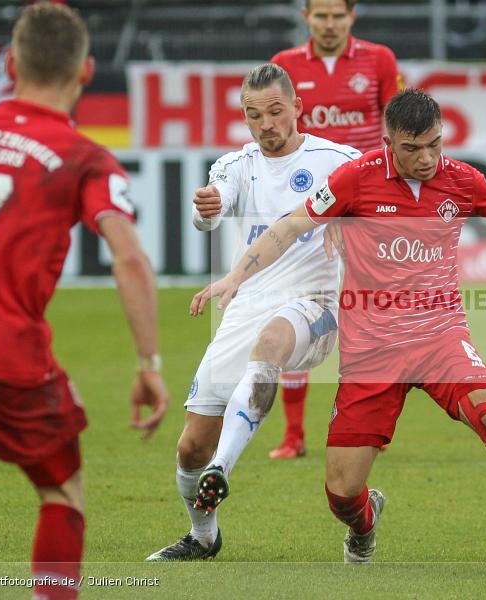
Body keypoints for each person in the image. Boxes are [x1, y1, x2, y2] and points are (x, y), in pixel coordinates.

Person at [189, 89, 486, 568]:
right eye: (412, 148)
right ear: (388, 142)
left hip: (440, 337)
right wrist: (234, 276)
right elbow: (290, 227)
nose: (427, 158)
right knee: (341, 492)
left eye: (435, 144)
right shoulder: (356, 178)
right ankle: (365, 523)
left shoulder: (461, 180)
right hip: (371, 352)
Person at [0, 3, 168, 599]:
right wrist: (148, 365)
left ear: (11, 63)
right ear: (86, 71)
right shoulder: (84, 156)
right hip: (7, 350)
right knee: (62, 491)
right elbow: (130, 256)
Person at [145, 63, 360, 562]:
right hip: (245, 305)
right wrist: (207, 207)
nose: (265, 124)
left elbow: (382, 188)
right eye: (253, 114)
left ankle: (223, 469)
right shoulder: (236, 164)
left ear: (298, 108)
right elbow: (214, 206)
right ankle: (203, 536)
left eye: (275, 112)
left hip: (315, 306)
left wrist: (352, 219)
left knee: (270, 345)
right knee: (189, 448)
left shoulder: (339, 158)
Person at [268, 0, 403, 459]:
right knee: (295, 303)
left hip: (368, 204)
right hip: (311, 204)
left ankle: (369, 422)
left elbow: (396, 126)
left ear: (352, 17)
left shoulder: (379, 59)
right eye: (320, 15)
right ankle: (293, 434)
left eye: (337, 15)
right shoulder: (284, 65)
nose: (329, 24)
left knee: (372, 312)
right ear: (306, 17)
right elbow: (279, 134)